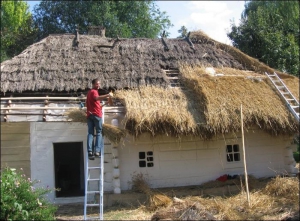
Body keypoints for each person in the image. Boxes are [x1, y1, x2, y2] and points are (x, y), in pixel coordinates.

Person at [86, 78, 111, 159]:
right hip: (96, 115)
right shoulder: (93, 92)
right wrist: (108, 95)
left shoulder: (89, 93)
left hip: (90, 115)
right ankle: (97, 151)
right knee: (99, 132)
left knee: (90, 133)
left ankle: (90, 151)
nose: (99, 85)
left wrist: (105, 103)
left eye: (99, 84)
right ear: (93, 84)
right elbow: (97, 98)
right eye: (97, 84)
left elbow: (96, 105)